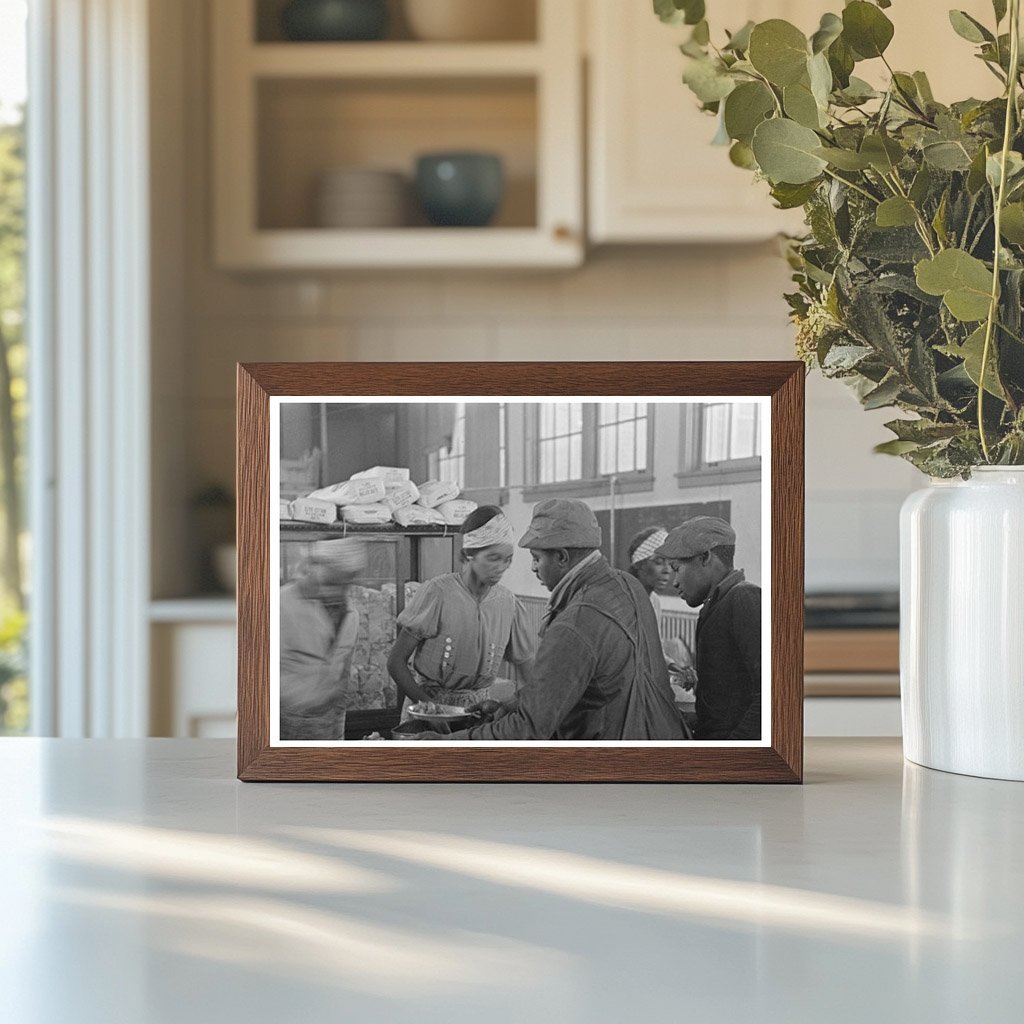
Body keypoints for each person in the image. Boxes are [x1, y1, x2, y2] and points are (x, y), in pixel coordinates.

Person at [436, 499, 688, 741]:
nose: (534, 568)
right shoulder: (627, 584)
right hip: (660, 736)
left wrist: (445, 744)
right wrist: (514, 703)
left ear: (562, 557)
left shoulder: (576, 622)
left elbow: (528, 731)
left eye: (537, 558)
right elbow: (574, 681)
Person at [387, 505, 535, 717]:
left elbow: (528, 673)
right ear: (469, 554)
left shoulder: (508, 605)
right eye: (493, 558)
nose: (501, 567)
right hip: (428, 710)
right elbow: (395, 662)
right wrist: (430, 708)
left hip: (478, 714)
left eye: (508, 559)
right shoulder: (438, 593)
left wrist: (509, 708)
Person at [656, 516, 762, 740]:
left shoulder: (743, 598)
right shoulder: (716, 606)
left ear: (705, 557)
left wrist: (732, 754)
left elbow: (772, 693)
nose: (674, 582)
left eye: (677, 569)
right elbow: (729, 702)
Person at [279, 538, 367, 740]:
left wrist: (337, 725)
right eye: (331, 582)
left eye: (344, 583)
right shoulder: (279, 605)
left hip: (326, 719)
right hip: (284, 720)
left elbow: (342, 672)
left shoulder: (350, 613)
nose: (336, 591)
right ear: (314, 569)